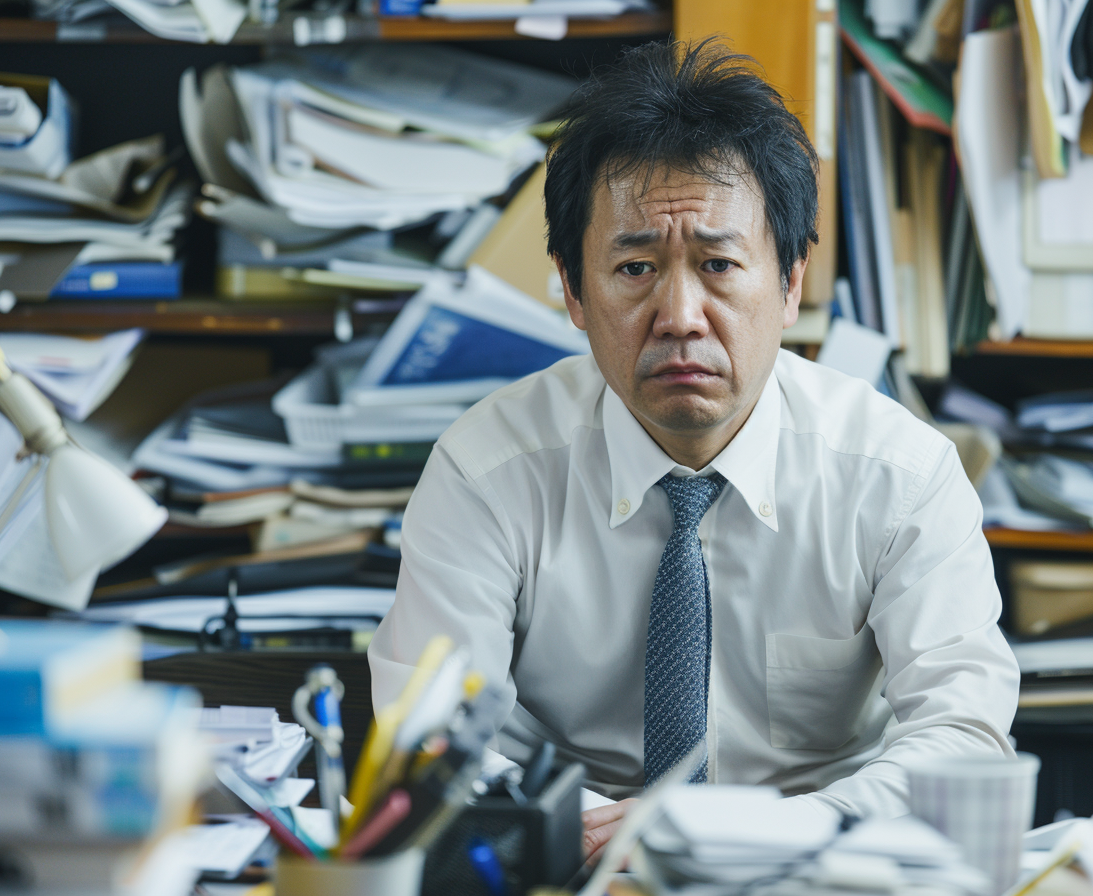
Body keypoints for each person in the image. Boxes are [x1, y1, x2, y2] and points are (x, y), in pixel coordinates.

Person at [369, 38, 1019, 859]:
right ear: (572, 289)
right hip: (572, 863)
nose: (680, 314)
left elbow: (964, 740)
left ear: (789, 283)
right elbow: (421, 741)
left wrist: (733, 832)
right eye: (635, 267)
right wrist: (568, 829)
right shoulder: (486, 471)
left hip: (818, 869)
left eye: (718, 264)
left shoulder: (900, 478)